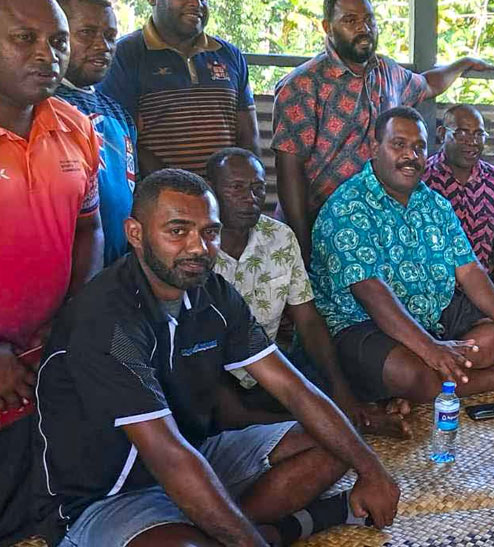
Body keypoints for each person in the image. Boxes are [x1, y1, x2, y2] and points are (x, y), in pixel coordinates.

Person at [32, 169, 400, 546]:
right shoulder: (109, 322)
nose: (198, 248)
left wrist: (373, 471)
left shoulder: (213, 293)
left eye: (209, 232)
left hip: (197, 453)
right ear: (135, 234)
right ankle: (282, 527)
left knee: (334, 442)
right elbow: (167, 455)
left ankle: (223, 524)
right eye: (178, 231)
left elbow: (293, 389)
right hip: (109, 494)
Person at [309, 106, 494, 404]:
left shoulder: (434, 204)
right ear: (374, 148)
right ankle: (490, 379)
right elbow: (371, 293)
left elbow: (469, 269)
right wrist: (429, 348)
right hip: (362, 322)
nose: (411, 155)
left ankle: (432, 378)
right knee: (409, 373)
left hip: (432, 314)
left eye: (419, 147)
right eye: (399, 144)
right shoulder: (348, 206)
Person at [273, 0, 494, 263]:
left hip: (377, 229)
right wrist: (302, 247)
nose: (363, 28)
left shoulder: (388, 72)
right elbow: (289, 170)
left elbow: (428, 84)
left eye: (369, 19)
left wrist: (463, 63)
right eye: (350, 20)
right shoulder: (303, 84)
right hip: (318, 228)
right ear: (327, 27)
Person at [0, 0, 102, 544]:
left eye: (58, 41)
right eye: (24, 38)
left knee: (39, 506)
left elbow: (89, 227)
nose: (47, 54)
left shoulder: (76, 128)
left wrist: (73, 320)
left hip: (45, 359)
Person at [207, 148, 406, 436]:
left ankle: (333, 419)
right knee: (228, 414)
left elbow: (309, 320)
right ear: (211, 189)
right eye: (236, 188)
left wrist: (342, 392)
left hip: (266, 368)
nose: (250, 198)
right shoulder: (195, 248)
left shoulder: (279, 237)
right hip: (211, 371)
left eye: (258, 188)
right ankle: (329, 424)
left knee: (336, 381)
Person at [98, 0, 259, 177]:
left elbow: (248, 137)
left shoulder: (229, 55)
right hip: (159, 193)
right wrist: (182, 188)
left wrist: (243, 185)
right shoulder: (124, 55)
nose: (196, 4)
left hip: (225, 194)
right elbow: (122, 140)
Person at [423, 104, 494, 316]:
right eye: (462, 133)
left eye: (479, 134)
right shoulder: (423, 180)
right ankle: (493, 319)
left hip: (484, 278)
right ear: (441, 133)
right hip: (439, 284)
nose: (472, 141)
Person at [53, 0, 138, 265]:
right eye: (87, 33)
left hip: (116, 270)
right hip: (61, 270)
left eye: (110, 36)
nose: (103, 46)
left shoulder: (119, 114)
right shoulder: (41, 108)